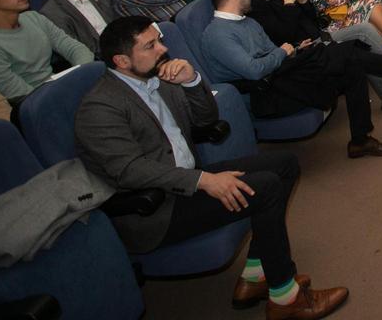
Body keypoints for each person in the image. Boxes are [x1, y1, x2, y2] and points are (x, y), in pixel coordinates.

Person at [75, 17, 349, 319]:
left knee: (284, 163)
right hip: (155, 208)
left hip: (188, 179)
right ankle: (286, 300)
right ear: (122, 60)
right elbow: (129, 171)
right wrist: (202, 180)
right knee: (267, 188)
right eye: (151, 46)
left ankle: (256, 276)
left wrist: (192, 81)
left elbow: (205, 120)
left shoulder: (157, 78)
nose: (163, 49)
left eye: (159, 40)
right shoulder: (100, 107)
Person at [203, 0, 382, 151]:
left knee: (350, 65)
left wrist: (292, 50)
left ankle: (361, 140)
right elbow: (254, 71)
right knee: (342, 54)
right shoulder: (217, 34)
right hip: (266, 93)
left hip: (283, 74)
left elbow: (273, 52)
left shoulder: (247, 22)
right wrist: (285, 52)